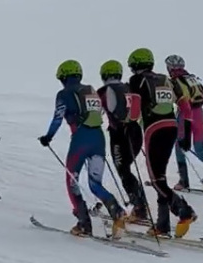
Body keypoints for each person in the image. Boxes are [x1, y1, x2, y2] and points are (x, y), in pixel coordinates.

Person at [39, 59, 127, 237]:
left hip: (81, 139)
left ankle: (84, 223)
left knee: (72, 180)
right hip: (98, 138)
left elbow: (58, 117)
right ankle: (117, 211)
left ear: (63, 77)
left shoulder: (63, 94)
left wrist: (48, 137)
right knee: (95, 184)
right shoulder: (90, 91)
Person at [127, 48, 196, 238]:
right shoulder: (166, 80)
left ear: (135, 66)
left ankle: (183, 210)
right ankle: (162, 225)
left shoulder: (136, 80)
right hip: (171, 127)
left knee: (156, 179)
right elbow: (186, 107)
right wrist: (186, 134)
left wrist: (130, 127)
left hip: (153, 129)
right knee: (161, 178)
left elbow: (135, 109)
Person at [97, 59, 149, 223]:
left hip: (120, 134)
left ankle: (139, 207)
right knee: (126, 169)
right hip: (135, 131)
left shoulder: (104, 91)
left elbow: (96, 114)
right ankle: (140, 205)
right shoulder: (128, 87)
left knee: (123, 170)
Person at [164, 55, 203, 190]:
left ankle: (183, 181)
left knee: (179, 146)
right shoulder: (192, 78)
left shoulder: (174, 81)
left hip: (185, 114)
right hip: (199, 113)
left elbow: (178, 102)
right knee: (200, 148)